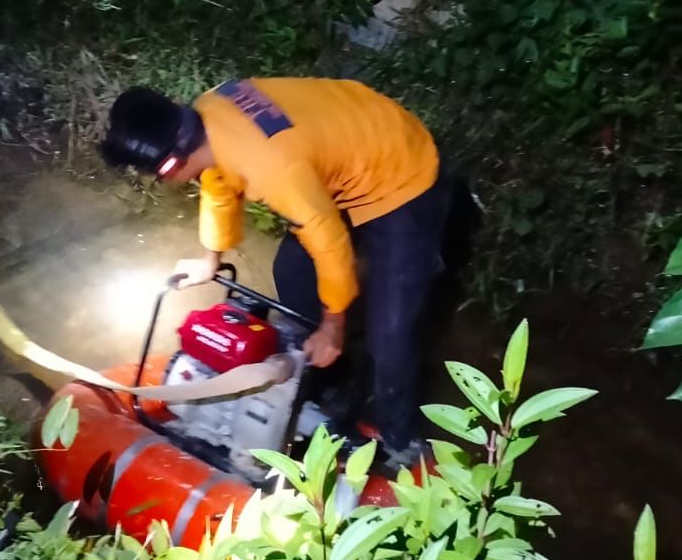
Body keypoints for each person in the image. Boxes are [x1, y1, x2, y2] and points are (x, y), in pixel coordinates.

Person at [99, 78, 451, 467]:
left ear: (170, 165)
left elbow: (330, 243)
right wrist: (210, 259)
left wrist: (333, 325)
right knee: (291, 272)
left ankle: (401, 441)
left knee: (391, 333)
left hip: (399, 172)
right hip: (337, 151)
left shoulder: (272, 169)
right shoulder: (208, 113)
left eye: (155, 175)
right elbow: (218, 185)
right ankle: (324, 380)